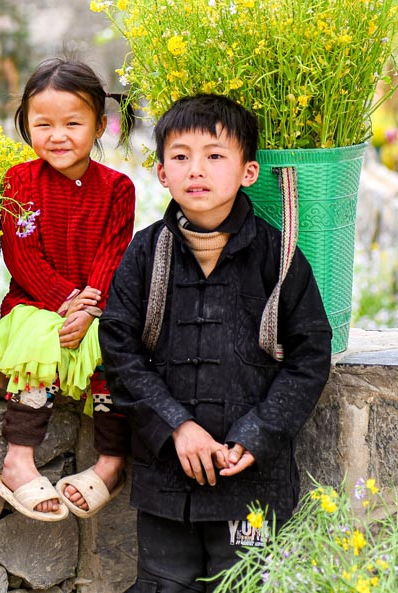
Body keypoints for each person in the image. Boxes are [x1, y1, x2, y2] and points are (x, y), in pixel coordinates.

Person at [99, 94, 331, 592]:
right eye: (180, 156)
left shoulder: (279, 257)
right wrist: (177, 425)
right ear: (161, 173)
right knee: (163, 585)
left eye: (214, 155)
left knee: (244, 585)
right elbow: (118, 346)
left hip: (249, 477)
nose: (196, 170)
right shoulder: (146, 254)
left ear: (248, 171)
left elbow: (310, 354)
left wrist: (259, 433)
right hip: (166, 479)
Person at [0, 57, 135, 521]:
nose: (57, 135)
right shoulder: (20, 181)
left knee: (117, 346)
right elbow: (22, 257)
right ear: (26, 124)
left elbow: (113, 255)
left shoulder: (117, 188)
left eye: (73, 123)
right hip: (35, 304)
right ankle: (18, 461)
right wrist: (66, 303)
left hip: (96, 307)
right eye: (43, 124)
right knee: (37, 342)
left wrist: (88, 308)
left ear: (100, 124)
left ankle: (110, 462)